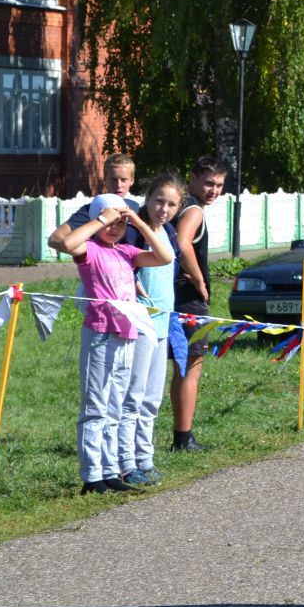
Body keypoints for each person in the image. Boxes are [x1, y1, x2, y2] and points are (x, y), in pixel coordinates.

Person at [61, 192, 176, 492]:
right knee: (95, 406)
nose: (114, 228)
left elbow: (166, 257)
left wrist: (136, 220)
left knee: (114, 406)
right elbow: (68, 243)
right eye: (110, 223)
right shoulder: (89, 250)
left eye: (119, 224)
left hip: (127, 333)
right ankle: (92, 475)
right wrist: (102, 218)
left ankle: (111, 471)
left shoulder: (126, 251)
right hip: (100, 334)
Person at [115, 173, 184, 486]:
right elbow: (118, 262)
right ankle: (126, 464)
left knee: (152, 398)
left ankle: (145, 459)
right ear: (148, 198)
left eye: (171, 204)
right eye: (159, 201)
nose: (163, 209)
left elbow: (171, 267)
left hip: (163, 324)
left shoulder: (168, 231)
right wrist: (132, 280)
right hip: (140, 324)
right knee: (133, 396)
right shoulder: (133, 231)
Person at [169, 156, 228, 453]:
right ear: (192, 179)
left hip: (170, 297)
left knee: (180, 368)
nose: (213, 190)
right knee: (190, 369)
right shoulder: (193, 210)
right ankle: (184, 439)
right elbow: (182, 244)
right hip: (189, 302)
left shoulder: (177, 205)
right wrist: (199, 280)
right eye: (208, 183)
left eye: (219, 185)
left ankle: (180, 436)